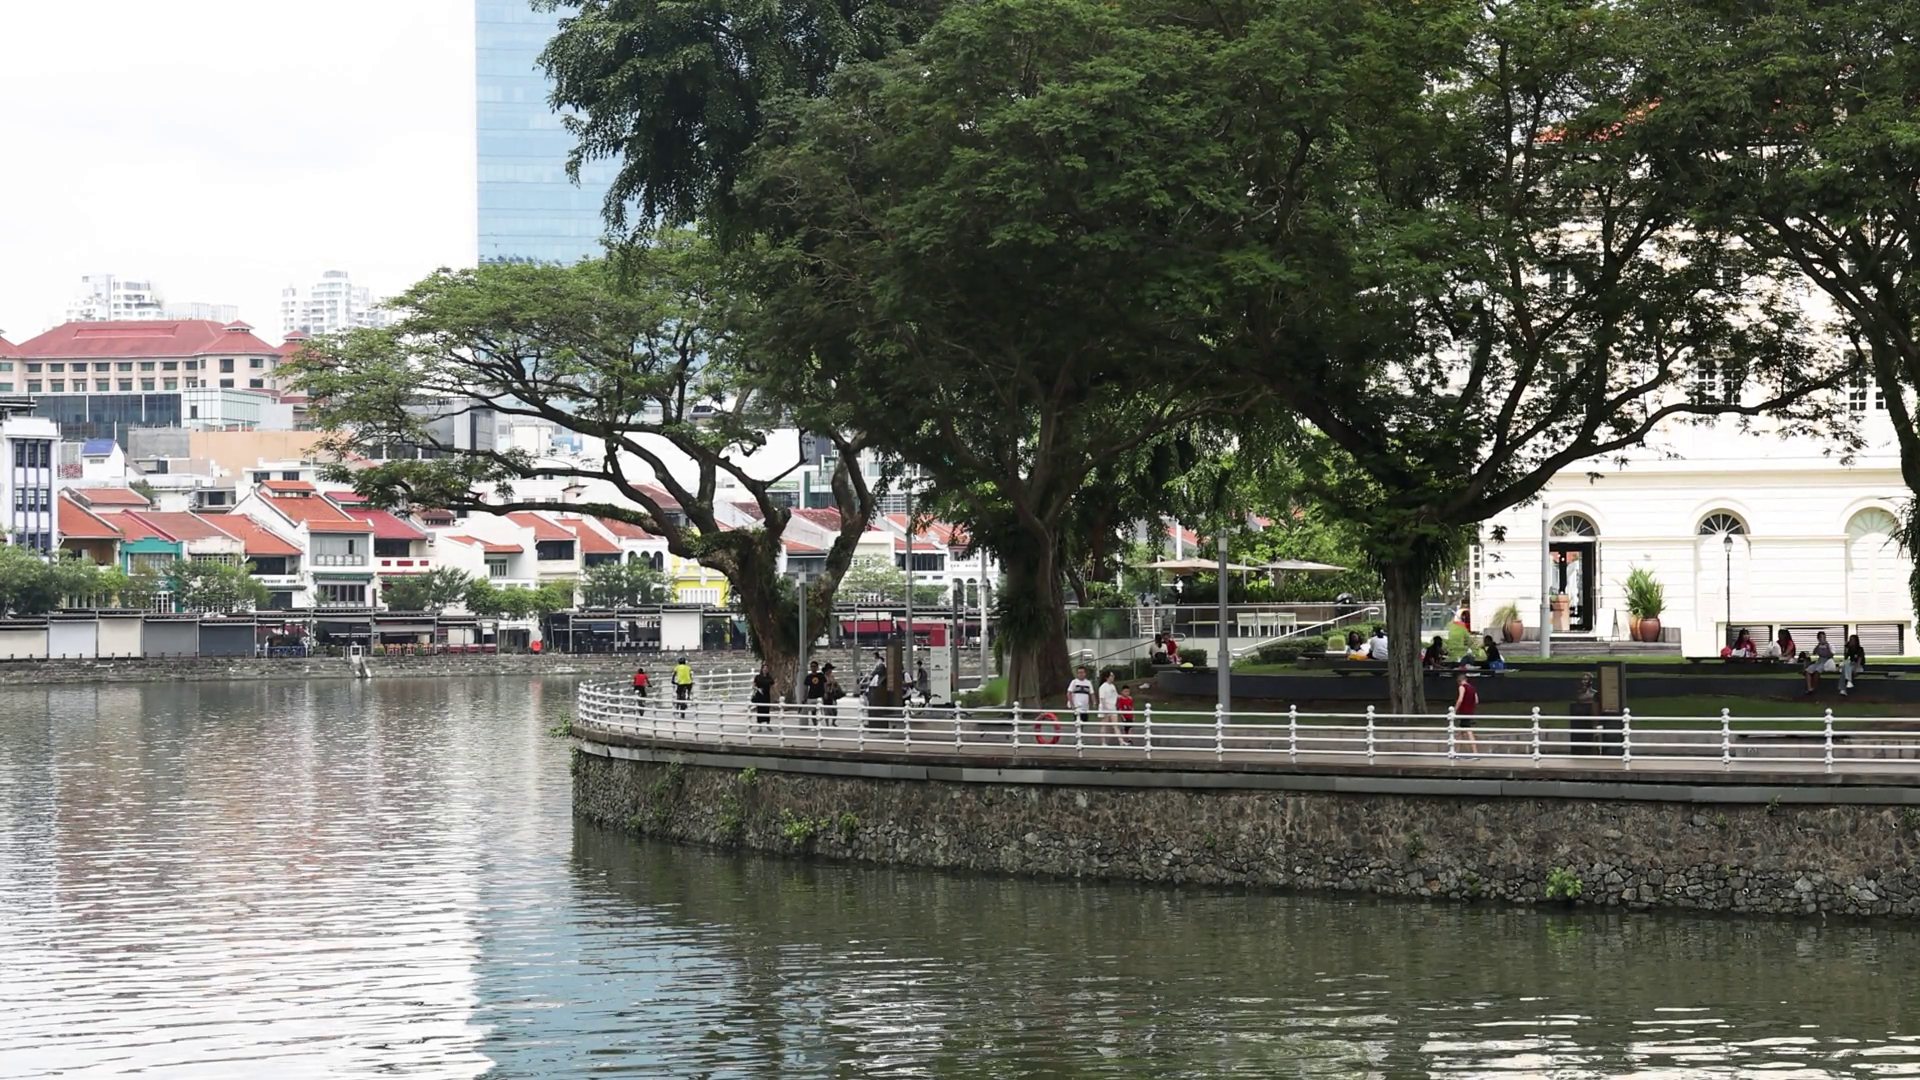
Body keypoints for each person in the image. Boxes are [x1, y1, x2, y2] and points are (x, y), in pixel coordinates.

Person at [1453, 667, 1480, 756]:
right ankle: (1456, 751)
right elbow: (1476, 700)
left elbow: (1460, 699)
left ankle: (1475, 753)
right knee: (1461, 732)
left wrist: (1455, 710)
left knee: (1468, 731)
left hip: (1464, 712)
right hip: (1470, 711)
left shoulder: (1462, 687)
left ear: (1459, 681)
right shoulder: (1472, 688)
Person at [1097, 669, 1121, 746]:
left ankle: (1121, 741)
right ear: (1107, 677)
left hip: (1113, 708)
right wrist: (1105, 709)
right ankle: (1103, 742)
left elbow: (1116, 695)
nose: (1113, 677)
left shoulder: (1113, 686)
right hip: (1105, 708)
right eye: (1111, 676)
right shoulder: (1103, 687)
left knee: (1115, 725)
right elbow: (1102, 698)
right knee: (1104, 725)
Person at [1067, 665, 1095, 733]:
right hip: (1077, 706)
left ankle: (1081, 733)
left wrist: (1094, 702)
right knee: (1078, 721)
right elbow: (1069, 693)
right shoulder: (1074, 682)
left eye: (1082, 672)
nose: (1081, 674)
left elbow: (1092, 693)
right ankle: (1078, 735)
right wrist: (1072, 704)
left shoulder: (1088, 682)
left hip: (1085, 707)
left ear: (1085, 673)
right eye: (1079, 673)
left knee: (1084, 721)